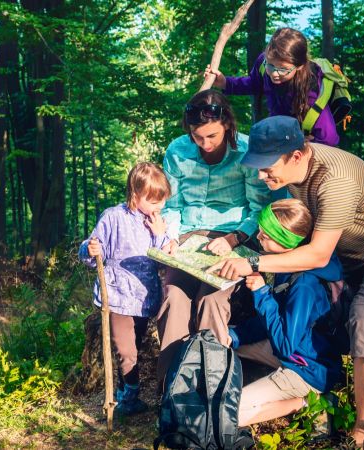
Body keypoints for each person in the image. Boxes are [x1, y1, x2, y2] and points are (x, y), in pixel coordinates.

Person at [210, 116, 364, 448]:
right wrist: (238, 238)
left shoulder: (334, 179)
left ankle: (362, 437)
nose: (261, 176)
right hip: (348, 254)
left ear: (296, 156)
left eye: (267, 168)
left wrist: (251, 263)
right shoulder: (293, 171)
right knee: (348, 322)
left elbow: (317, 255)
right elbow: (285, 223)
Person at [156, 89, 281, 384]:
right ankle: (172, 385)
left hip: (233, 238)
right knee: (173, 298)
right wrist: (171, 237)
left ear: (226, 123)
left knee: (211, 300)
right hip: (188, 238)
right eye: (198, 137)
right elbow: (172, 206)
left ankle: (210, 384)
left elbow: (258, 208)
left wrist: (234, 238)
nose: (205, 144)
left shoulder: (246, 151)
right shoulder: (177, 151)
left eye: (212, 136)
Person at [227, 199, 344, 427]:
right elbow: (275, 323)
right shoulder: (287, 268)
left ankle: (310, 402)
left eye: (265, 235)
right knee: (226, 343)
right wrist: (233, 336)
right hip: (296, 353)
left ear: (285, 242)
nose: (258, 238)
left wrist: (262, 293)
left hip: (307, 369)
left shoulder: (304, 286)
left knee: (230, 413)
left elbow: (284, 345)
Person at [78, 162, 172, 418]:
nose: (159, 207)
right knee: (126, 350)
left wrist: (161, 235)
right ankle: (129, 397)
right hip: (117, 295)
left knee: (135, 347)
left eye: (161, 200)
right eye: (153, 201)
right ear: (135, 194)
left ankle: (124, 392)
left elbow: (163, 261)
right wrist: (90, 248)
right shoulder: (113, 217)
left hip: (144, 297)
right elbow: (92, 249)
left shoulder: (155, 222)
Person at [204, 27, 340, 146]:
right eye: (271, 65)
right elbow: (254, 84)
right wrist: (225, 83)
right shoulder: (263, 62)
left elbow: (330, 139)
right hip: (279, 133)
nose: (274, 74)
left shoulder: (311, 92)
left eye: (283, 69)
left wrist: (309, 144)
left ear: (300, 66)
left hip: (303, 146)